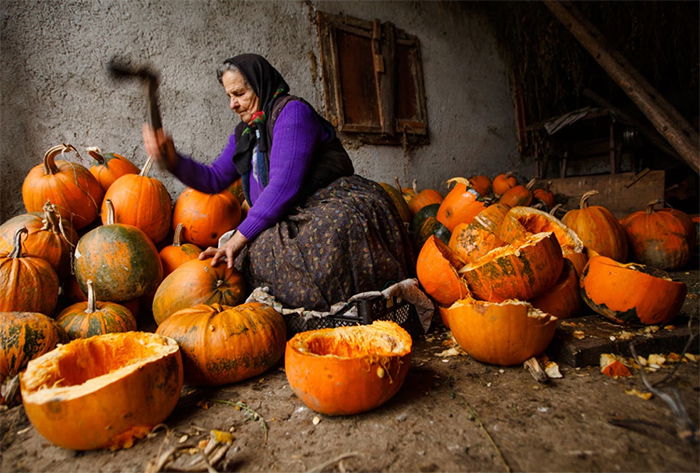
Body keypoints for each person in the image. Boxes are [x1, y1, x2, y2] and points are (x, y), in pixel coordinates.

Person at [143, 53, 414, 311]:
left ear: (261, 85)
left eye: (239, 94)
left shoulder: (292, 112)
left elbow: (284, 186)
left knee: (322, 238)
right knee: (262, 251)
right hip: (288, 212)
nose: (232, 105)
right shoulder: (246, 133)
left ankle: (347, 311)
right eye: (229, 96)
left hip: (329, 201)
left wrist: (237, 240)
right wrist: (173, 160)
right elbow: (214, 179)